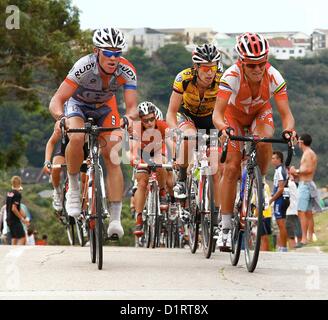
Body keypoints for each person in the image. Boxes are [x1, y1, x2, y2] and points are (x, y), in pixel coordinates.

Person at [48, 27, 138, 240]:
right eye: (108, 52)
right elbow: (57, 99)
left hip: (106, 107)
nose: (113, 58)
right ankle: (74, 189)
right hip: (77, 104)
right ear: (97, 51)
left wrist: (128, 118)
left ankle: (115, 219)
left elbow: (132, 106)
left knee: (114, 156)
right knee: (77, 136)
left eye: (118, 53)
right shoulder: (83, 67)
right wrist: (61, 118)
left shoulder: (127, 70)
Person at [213, 32, 296, 251]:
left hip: (260, 113)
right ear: (241, 63)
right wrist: (223, 128)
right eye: (251, 65)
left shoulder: (274, 76)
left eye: (261, 63)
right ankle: (225, 227)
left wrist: (289, 130)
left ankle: (259, 178)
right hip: (233, 116)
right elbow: (217, 114)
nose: (258, 69)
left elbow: (286, 114)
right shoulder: (231, 76)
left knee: (263, 140)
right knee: (230, 167)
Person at [166, 43, 224, 220]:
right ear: (196, 67)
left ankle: (216, 216)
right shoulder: (183, 78)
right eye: (205, 68)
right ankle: (182, 179)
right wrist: (175, 130)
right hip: (187, 116)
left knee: (216, 168)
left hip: (210, 118)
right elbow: (170, 112)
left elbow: (227, 110)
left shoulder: (222, 80)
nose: (210, 73)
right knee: (189, 137)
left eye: (213, 67)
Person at [130, 102, 172, 237]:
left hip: (160, 151)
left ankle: (162, 192)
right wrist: (134, 159)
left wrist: (173, 159)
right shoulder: (137, 128)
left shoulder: (162, 125)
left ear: (155, 117)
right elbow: (133, 148)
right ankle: (139, 218)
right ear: (141, 120)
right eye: (145, 120)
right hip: (144, 154)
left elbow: (171, 143)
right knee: (141, 182)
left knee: (160, 163)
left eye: (152, 119)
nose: (149, 123)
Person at [290, 133, 321, 245]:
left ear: (301, 142)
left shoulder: (307, 153)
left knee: (301, 212)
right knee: (308, 212)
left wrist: (295, 171)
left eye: (298, 141)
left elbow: (308, 170)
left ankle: (304, 239)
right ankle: (308, 236)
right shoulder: (309, 153)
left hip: (305, 185)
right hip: (306, 183)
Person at [269, 151, 289, 252]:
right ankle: (282, 246)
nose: (272, 160)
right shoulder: (279, 169)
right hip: (282, 198)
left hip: (280, 199)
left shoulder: (280, 170)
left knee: (281, 224)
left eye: (274, 158)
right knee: (281, 223)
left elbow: (280, 188)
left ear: (279, 159)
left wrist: (271, 200)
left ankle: (283, 247)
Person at [6, 176, 30, 245]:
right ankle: (18, 254)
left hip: (9, 219)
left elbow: (16, 207)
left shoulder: (9, 193)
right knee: (22, 238)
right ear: (19, 183)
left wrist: (24, 216)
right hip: (15, 220)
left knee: (14, 237)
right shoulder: (17, 194)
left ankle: (12, 254)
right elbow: (14, 208)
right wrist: (22, 219)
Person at [286, 172, 302, 249]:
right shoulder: (294, 184)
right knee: (297, 229)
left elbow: (286, 197)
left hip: (289, 211)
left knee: (290, 233)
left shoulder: (288, 184)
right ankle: (298, 248)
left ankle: (293, 249)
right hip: (295, 210)